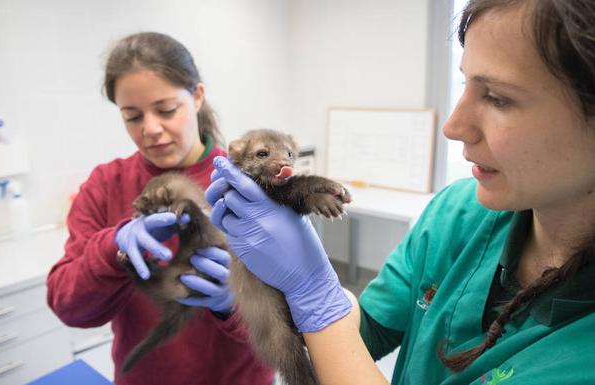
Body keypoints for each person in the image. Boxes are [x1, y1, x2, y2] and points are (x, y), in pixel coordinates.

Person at [205, 1, 595, 384]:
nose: (452, 126)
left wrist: (313, 293)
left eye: (498, 97)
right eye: (465, 84)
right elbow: (367, 329)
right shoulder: (456, 212)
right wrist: (272, 300)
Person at [46, 32, 274, 385]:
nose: (150, 129)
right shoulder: (106, 185)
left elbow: (294, 326)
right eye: (132, 116)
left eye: (166, 110)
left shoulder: (247, 183)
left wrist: (235, 305)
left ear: (197, 97)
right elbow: (69, 307)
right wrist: (112, 249)